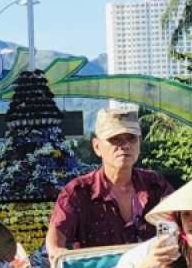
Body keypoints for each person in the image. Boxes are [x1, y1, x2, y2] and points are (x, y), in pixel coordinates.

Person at [45, 108, 174, 255]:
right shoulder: (77, 192)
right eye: (115, 139)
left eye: (131, 138)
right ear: (97, 146)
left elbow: (174, 227)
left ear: (139, 143)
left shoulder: (156, 186)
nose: (125, 145)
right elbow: (54, 245)